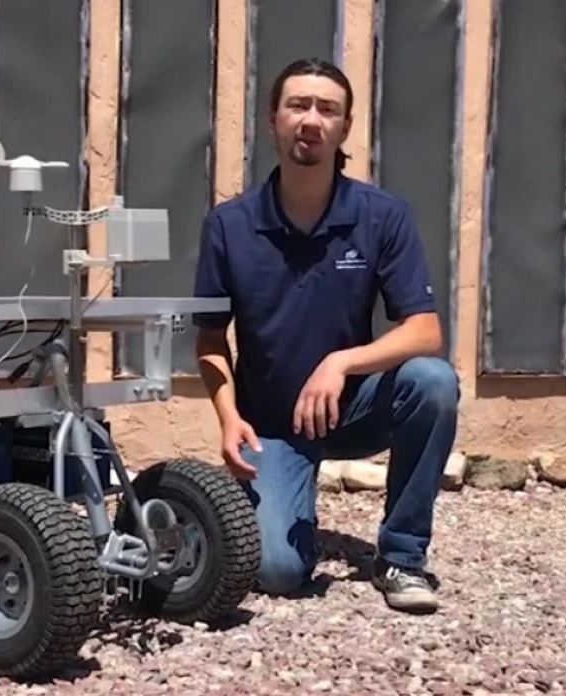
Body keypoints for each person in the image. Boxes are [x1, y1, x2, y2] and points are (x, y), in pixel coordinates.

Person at [192, 57, 459, 614]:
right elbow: (211, 339)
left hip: (352, 410)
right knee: (278, 572)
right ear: (273, 120)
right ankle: (285, 505)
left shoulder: (382, 216)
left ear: (345, 127)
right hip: (271, 425)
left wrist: (342, 363)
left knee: (432, 383)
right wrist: (227, 417)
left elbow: (425, 331)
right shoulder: (229, 225)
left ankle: (403, 558)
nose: (311, 119)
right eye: (298, 105)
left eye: (327, 109)